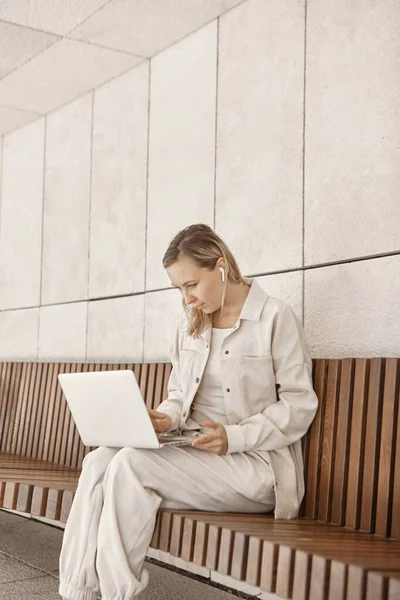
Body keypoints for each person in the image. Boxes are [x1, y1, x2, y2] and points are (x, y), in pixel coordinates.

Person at [59, 223, 318, 600]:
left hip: (256, 467)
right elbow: (180, 394)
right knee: (99, 463)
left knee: (132, 465)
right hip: (195, 456)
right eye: (179, 289)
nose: (187, 298)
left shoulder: (275, 318)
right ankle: (77, 593)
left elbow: (299, 404)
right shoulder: (191, 326)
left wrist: (234, 436)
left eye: (192, 285)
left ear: (221, 267)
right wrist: (166, 417)